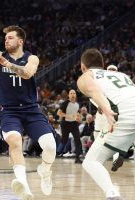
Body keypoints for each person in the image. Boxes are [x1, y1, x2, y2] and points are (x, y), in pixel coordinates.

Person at [0, 25, 56, 200]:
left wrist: (9, 65)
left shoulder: (32, 58)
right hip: (9, 111)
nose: (6, 40)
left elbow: (27, 73)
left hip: (31, 110)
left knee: (50, 146)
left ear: (20, 41)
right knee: (14, 141)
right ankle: (23, 185)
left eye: (10, 37)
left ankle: (45, 171)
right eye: (5, 38)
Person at [77, 48, 135, 200]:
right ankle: (121, 150)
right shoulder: (121, 75)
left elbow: (92, 89)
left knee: (91, 162)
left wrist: (106, 108)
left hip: (122, 115)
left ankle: (113, 195)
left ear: (83, 66)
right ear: (102, 64)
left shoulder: (86, 76)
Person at [56, 89, 83, 163]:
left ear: (76, 95)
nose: (73, 94)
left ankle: (77, 158)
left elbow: (78, 113)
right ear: (69, 95)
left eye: (74, 93)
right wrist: (68, 116)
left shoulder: (77, 104)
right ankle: (57, 152)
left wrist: (79, 117)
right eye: (71, 93)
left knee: (77, 140)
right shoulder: (65, 103)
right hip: (65, 123)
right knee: (64, 139)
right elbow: (59, 113)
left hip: (74, 123)